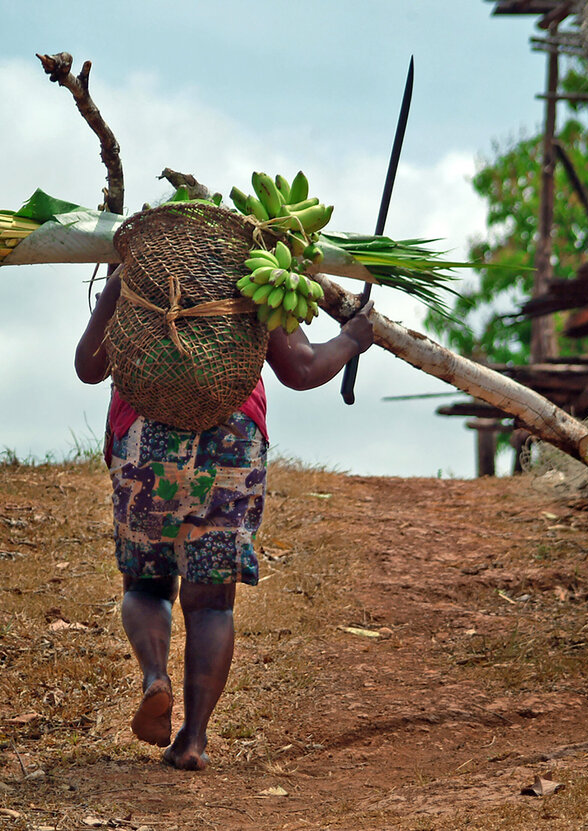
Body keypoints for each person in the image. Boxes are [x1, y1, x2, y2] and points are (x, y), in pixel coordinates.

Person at [75, 265, 374, 770]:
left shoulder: (136, 273)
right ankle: (192, 741)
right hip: (229, 445)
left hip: (146, 443)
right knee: (211, 604)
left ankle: (155, 677)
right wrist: (351, 338)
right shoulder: (252, 275)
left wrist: (113, 288)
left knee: (146, 586)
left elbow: (89, 367)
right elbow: (300, 369)